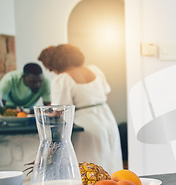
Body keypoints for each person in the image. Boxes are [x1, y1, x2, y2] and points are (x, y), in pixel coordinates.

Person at [38, 44, 123, 174]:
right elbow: (105, 94)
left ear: (57, 64)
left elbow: (59, 110)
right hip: (107, 118)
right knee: (111, 161)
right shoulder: (95, 70)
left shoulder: (62, 79)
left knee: (89, 167)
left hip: (86, 124)